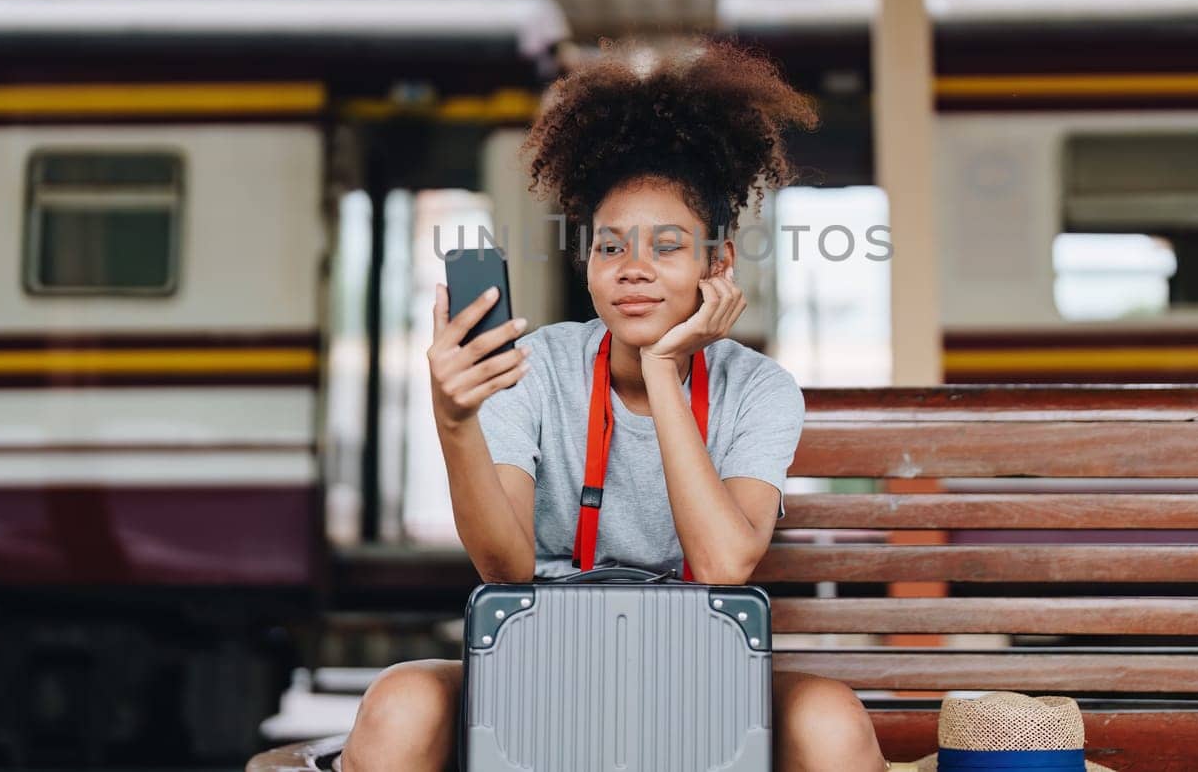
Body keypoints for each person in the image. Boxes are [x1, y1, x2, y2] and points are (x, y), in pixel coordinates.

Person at [341, 38, 890, 772]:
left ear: (716, 264)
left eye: (666, 246)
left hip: (702, 672)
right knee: (399, 700)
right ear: (588, 264)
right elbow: (504, 568)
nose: (632, 269)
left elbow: (724, 566)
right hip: (536, 668)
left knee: (828, 716)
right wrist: (454, 420)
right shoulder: (535, 369)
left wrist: (664, 367)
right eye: (609, 248)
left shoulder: (760, 388)